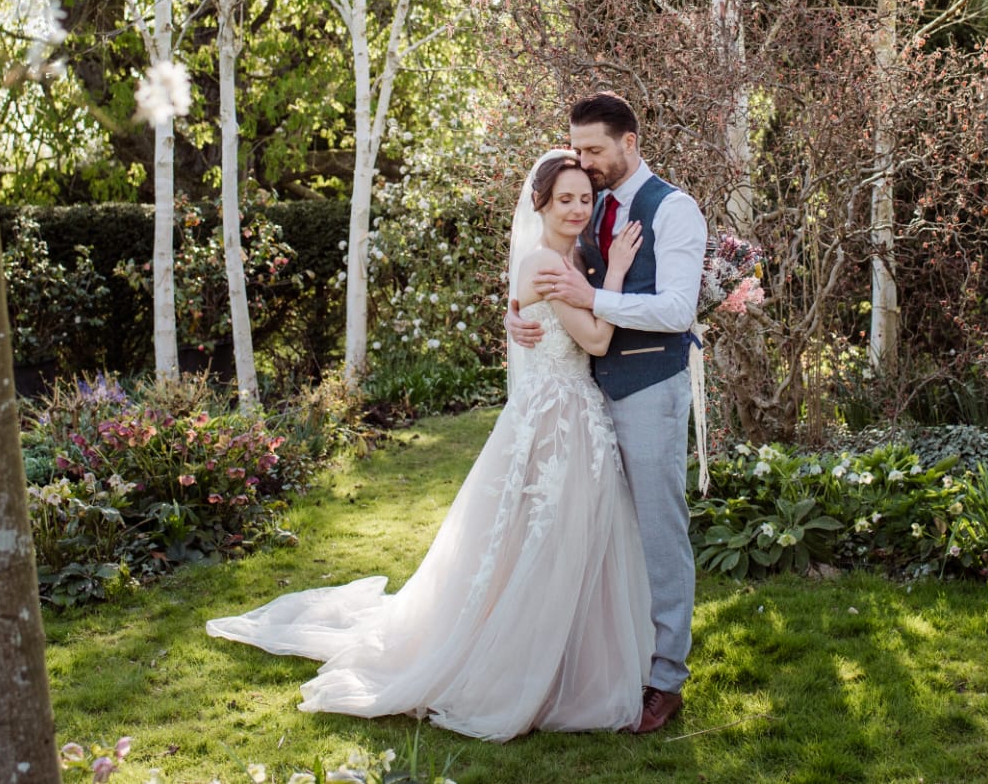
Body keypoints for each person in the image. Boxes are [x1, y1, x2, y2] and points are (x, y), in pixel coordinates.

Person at [206, 150, 653, 741]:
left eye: (583, 198)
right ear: (539, 203)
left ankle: (568, 658)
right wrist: (617, 272)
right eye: (564, 198)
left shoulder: (570, 257)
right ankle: (518, 665)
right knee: (542, 538)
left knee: (563, 539)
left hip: (572, 414)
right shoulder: (548, 264)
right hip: (556, 421)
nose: (576, 208)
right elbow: (595, 340)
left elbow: (543, 326)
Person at [506, 91, 707, 736]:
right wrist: (518, 315)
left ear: (630, 141)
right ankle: (603, 661)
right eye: (578, 150)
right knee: (597, 533)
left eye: (594, 150)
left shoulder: (674, 209)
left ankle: (666, 676)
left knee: (657, 530)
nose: (583, 163)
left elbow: (678, 310)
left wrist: (598, 296)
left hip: (649, 385)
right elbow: (549, 270)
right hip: (585, 394)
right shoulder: (586, 206)